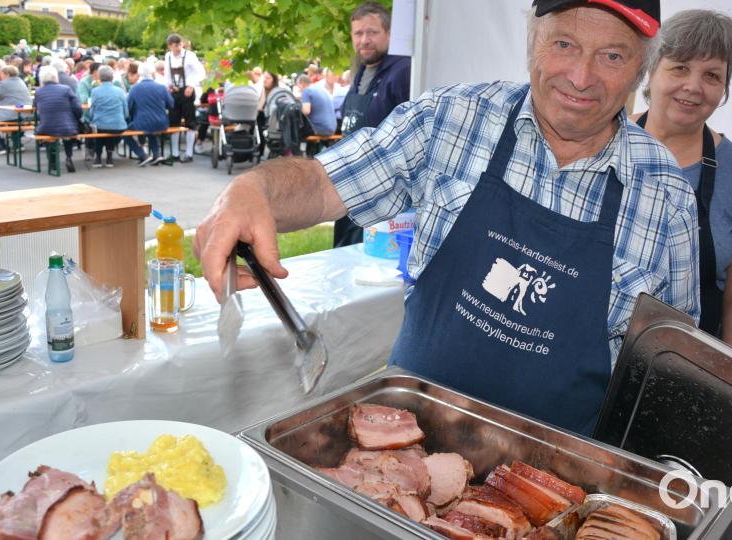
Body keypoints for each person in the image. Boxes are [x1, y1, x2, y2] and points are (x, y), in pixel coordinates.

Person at [194, 0, 700, 435]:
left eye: (612, 55)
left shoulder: (668, 199)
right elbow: (326, 183)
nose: (581, 76)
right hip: (404, 446)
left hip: (551, 488)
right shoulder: (452, 119)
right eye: (563, 44)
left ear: (641, 71)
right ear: (531, 40)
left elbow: (663, 377)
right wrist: (253, 190)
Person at [633, 10, 732, 355]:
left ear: (724, 88)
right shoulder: (602, 139)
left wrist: (729, 383)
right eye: (679, 67)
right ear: (651, 71)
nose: (693, 87)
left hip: (679, 367)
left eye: (712, 75)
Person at [334, 1, 412, 247]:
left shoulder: (404, 71)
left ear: (389, 34)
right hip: (349, 184)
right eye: (358, 33)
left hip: (381, 193)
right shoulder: (361, 72)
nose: (364, 40)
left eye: (372, 32)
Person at [164, 33, 205, 163]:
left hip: (187, 91)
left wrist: (191, 85)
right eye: (176, 45)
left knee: (190, 122)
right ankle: (175, 153)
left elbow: (201, 72)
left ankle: (189, 154)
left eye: (180, 44)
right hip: (175, 92)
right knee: (174, 122)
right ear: (170, 46)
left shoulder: (190, 56)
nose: (179, 47)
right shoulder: (168, 56)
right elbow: (167, 75)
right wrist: (169, 86)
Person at [33, 66, 82, 173]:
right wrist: (77, 119)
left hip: (46, 127)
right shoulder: (66, 89)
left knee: (47, 130)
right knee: (68, 130)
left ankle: (52, 159)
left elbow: (35, 110)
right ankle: (69, 157)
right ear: (56, 77)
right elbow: (78, 108)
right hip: (67, 127)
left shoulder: (38, 92)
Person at [125, 61, 174, 166]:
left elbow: (128, 108)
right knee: (150, 127)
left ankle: (142, 154)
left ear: (139, 74)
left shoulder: (135, 89)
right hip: (162, 122)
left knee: (125, 133)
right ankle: (156, 154)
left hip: (142, 122)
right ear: (153, 73)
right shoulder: (161, 87)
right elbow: (171, 104)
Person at [87, 65, 129, 168]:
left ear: (100, 77)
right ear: (112, 77)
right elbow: (126, 112)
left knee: (98, 129)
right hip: (118, 125)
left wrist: (91, 119)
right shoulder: (120, 91)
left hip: (101, 125)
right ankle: (109, 157)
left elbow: (92, 112)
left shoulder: (95, 91)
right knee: (111, 128)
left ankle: (98, 158)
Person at [0, 65, 32, 155]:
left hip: (12, 113)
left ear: (6, 74)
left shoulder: (4, 83)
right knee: (16, 121)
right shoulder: (21, 81)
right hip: (26, 113)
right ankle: (17, 144)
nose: (1, 76)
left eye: (2, 74)